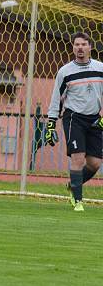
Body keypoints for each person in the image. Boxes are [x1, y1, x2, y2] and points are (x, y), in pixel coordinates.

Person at [45, 31, 103, 212]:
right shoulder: (65, 71)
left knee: (95, 163)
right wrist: (50, 124)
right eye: (76, 45)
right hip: (73, 118)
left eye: (83, 44)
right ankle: (77, 200)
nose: (80, 48)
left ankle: (73, 185)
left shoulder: (100, 68)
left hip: (94, 119)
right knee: (78, 158)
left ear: (90, 47)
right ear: (73, 48)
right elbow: (56, 99)